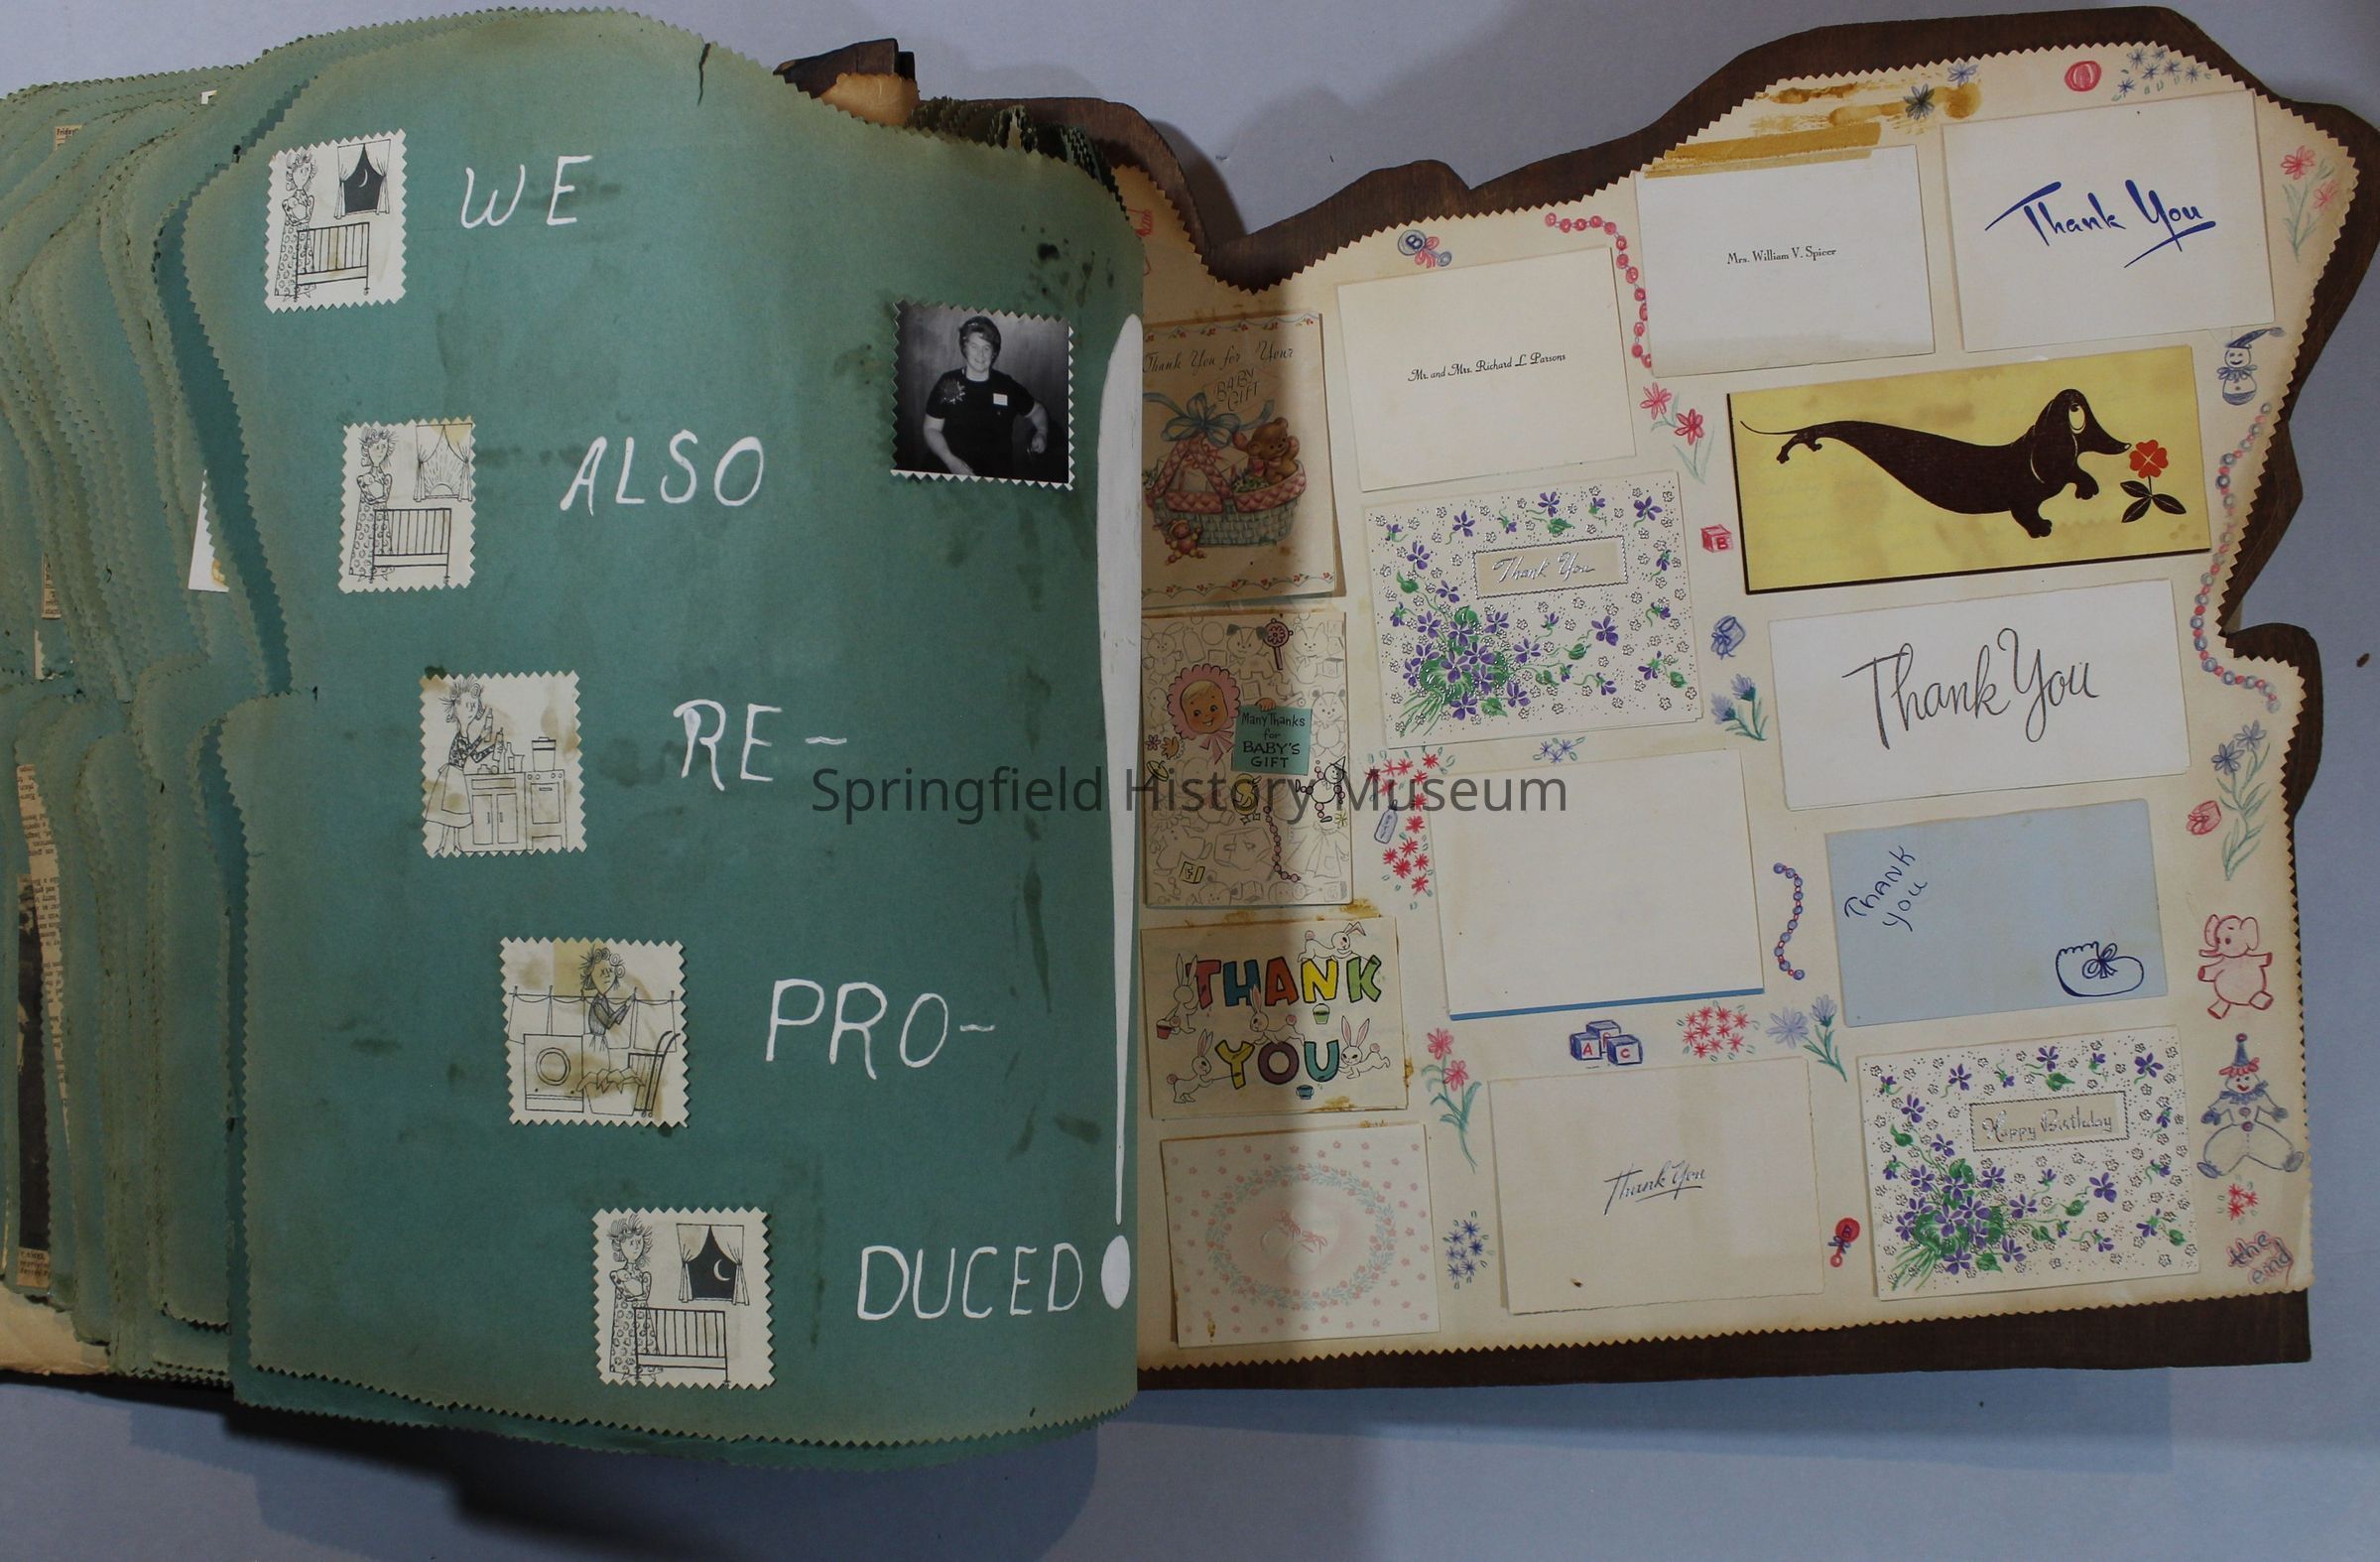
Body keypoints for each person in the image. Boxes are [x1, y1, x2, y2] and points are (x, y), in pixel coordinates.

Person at [920, 315, 1049, 479]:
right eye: (974, 346)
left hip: (993, 475)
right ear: (964, 348)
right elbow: (931, 429)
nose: (980, 354)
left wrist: (1042, 432)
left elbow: (1037, 410)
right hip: (948, 469)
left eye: (986, 348)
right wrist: (951, 461)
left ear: (994, 353)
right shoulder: (948, 382)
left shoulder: (1006, 385)